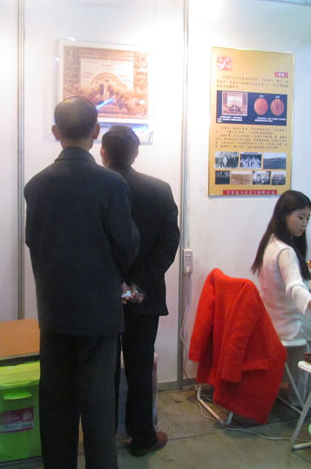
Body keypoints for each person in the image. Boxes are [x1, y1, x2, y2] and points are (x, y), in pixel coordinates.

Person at [24, 97, 139, 469]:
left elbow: (33, 242)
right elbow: (127, 247)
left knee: (56, 405)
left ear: (55, 132)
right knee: (99, 410)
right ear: (96, 131)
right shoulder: (111, 184)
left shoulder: (36, 185)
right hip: (100, 315)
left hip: (54, 313)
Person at [100, 125, 179, 457]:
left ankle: (102, 437)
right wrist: (135, 287)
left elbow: (89, 247)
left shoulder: (95, 188)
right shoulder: (159, 189)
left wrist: (115, 287)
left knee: (103, 369)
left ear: (103, 153)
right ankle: (142, 436)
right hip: (143, 297)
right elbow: (168, 245)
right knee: (140, 367)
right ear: (135, 153)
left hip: (101, 296)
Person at [251, 190, 311, 406]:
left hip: (273, 322)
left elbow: (285, 280)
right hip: (290, 326)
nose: (304, 223)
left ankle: (296, 390)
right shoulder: (286, 251)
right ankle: (308, 399)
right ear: (284, 215)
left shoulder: (270, 243)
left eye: (308, 218)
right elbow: (294, 288)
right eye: (300, 217)